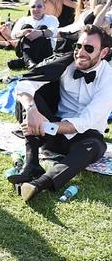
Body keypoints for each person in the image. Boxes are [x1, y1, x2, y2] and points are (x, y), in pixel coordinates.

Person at [11, 24, 111, 201]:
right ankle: (31, 164)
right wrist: (32, 110)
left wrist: (47, 127)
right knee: (26, 99)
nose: (80, 52)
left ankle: (40, 183)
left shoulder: (109, 79)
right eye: (78, 46)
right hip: (50, 132)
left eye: (89, 48)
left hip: (83, 137)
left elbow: (85, 121)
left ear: (103, 53)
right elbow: (25, 83)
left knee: (95, 147)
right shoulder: (66, 62)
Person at [7, 0, 59, 70]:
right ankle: (29, 61)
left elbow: (53, 32)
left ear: (44, 8)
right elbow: (13, 35)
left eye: (39, 6)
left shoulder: (52, 19)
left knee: (42, 27)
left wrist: (40, 33)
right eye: (33, 7)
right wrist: (24, 32)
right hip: (24, 49)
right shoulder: (24, 19)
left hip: (45, 50)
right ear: (30, 8)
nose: (36, 9)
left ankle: (25, 61)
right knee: (26, 27)